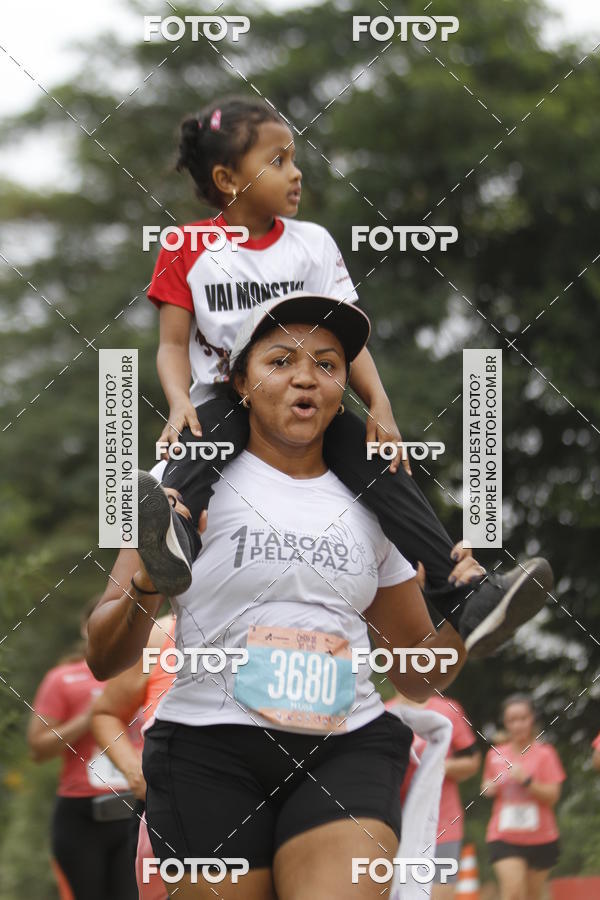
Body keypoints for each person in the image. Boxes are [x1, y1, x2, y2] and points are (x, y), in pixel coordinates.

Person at [87, 293, 485, 899]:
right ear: (240, 380)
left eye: (328, 364)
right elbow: (103, 656)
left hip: (346, 746)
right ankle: (169, 566)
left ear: (344, 384)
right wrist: (148, 580)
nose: (307, 376)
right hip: (206, 749)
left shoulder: (375, 500)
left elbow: (416, 676)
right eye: (280, 360)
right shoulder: (179, 484)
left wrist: (465, 621)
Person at [145, 94, 553, 659]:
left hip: (309, 393)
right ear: (227, 177)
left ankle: (464, 592)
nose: (296, 172)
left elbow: (349, 340)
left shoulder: (311, 243)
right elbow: (170, 344)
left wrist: (379, 406)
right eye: (278, 160)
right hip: (227, 392)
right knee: (201, 444)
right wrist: (176, 401)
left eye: (294, 157)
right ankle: (175, 539)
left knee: (382, 469)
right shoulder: (184, 247)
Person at [29, 599, 139, 900]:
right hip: (81, 814)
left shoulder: (150, 671)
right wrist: (88, 719)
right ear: (85, 629)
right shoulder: (62, 678)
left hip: (136, 808)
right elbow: (37, 749)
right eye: (100, 624)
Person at [91, 613, 175, 900]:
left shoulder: (285, 624)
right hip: (165, 808)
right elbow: (107, 713)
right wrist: (134, 772)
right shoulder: (162, 633)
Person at [386, 686, 481, 899]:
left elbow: (473, 761)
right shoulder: (382, 714)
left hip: (443, 823)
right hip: (395, 827)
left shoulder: (448, 709)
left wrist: (437, 765)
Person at [481, 694, 566, 900]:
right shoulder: (495, 755)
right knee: (513, 893)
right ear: (506, 723)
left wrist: (527, 781)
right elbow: (485, 785)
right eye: (512, 720)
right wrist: (487, 788)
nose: (518, 724)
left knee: (532, 895)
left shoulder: (545, 754)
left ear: (532, 719)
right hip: (504, 836)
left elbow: (553, 796)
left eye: (523, 718)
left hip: (541, 837)